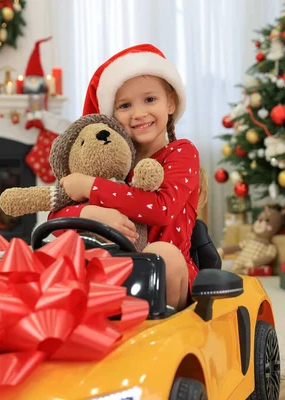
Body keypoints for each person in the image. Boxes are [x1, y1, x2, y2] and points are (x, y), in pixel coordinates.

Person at [48, 44, 207, 311]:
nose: (138, 113)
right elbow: (56, 218)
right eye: (125, 105)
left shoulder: (181, 152)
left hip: (169, 275)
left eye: (150, 100)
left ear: (171, 102)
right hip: (112, 272)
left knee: (162, 254)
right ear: (111, 118)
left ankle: (160, 330)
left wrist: (92, 187)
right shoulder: (107, 163)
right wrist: (89, 212)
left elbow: (160, 209)